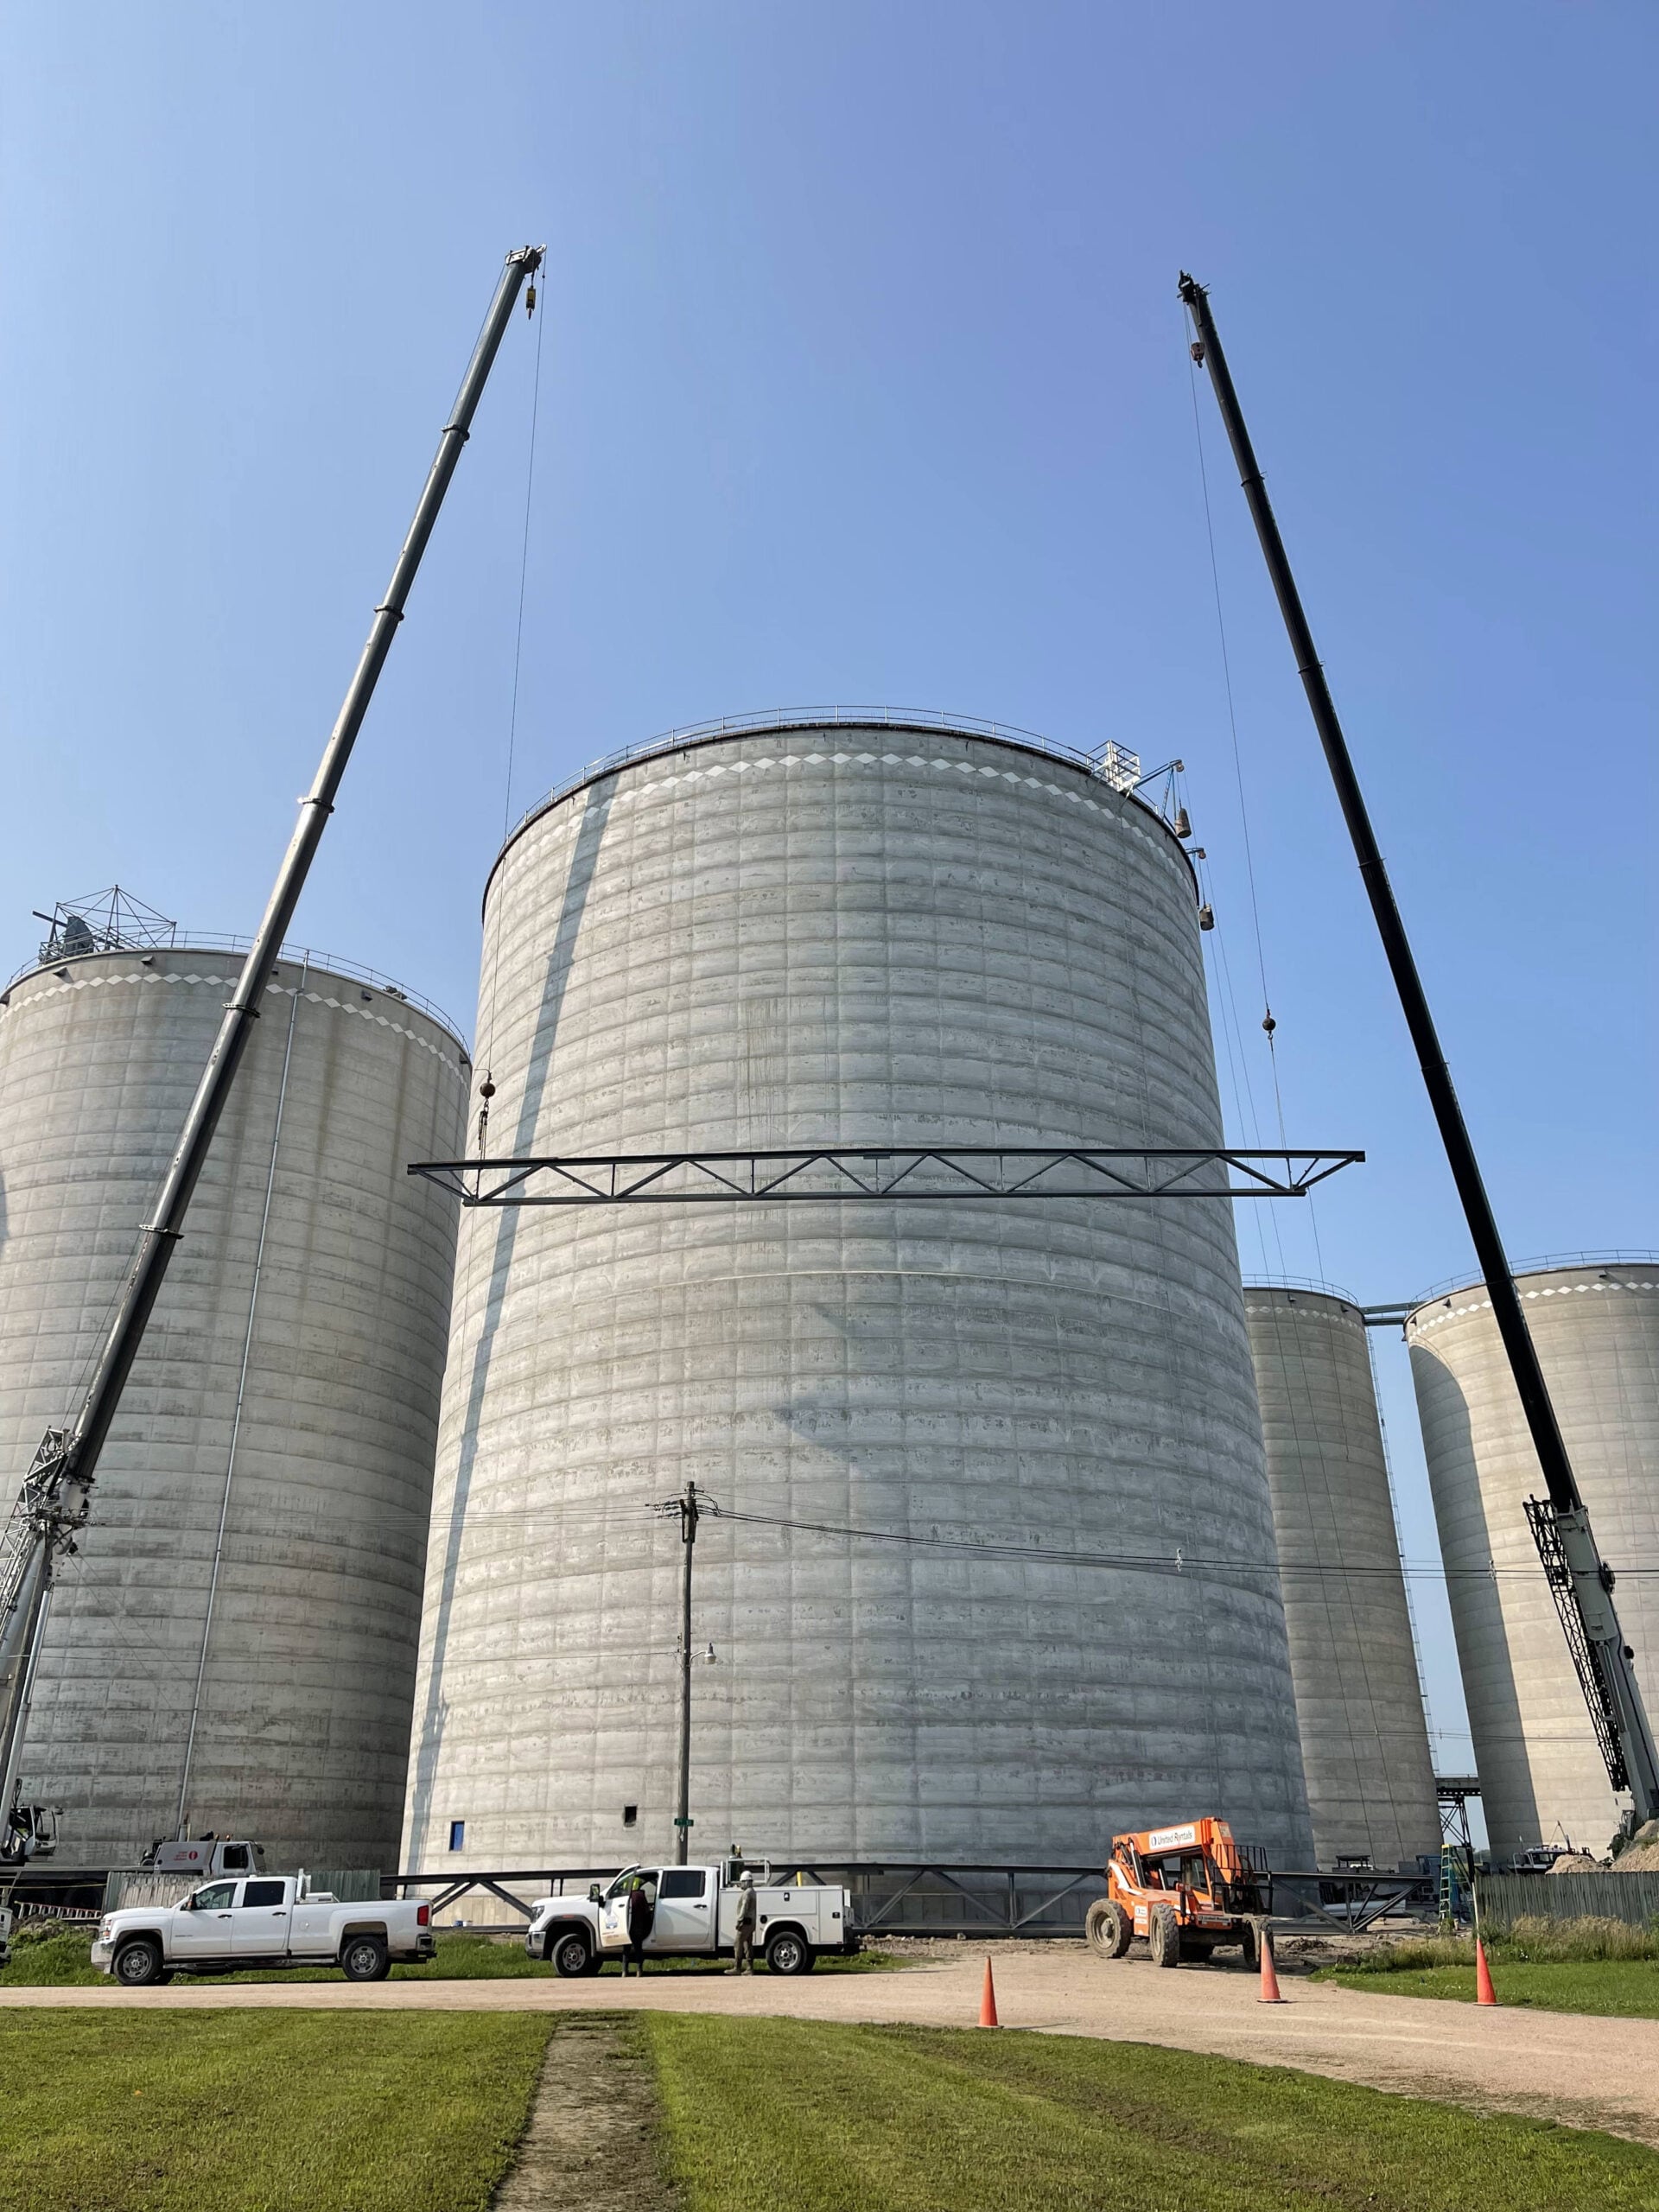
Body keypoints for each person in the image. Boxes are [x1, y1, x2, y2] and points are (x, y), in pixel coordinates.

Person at [624, 1873, 654, 1976]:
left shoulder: (624, 1897)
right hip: (638, 1927)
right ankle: (639, 1970)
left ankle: (624, 1971)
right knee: (638, 1949)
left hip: (627, 1927)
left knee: (626, 1950)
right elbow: (647, 1912)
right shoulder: (640, 1896)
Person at [733, 1870, 758, 1974]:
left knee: (738, 1943)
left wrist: (739, 1921)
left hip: (745, 1922)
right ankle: (749, 1968)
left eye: (742, 1882)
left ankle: (737, 1967)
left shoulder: (747, 1893)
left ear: (747, 1882)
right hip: (751, 1922)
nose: (741, 1884)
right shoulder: (753, 1892)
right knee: (748, 1945)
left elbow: (744, 1908)